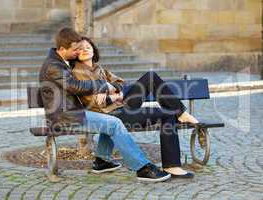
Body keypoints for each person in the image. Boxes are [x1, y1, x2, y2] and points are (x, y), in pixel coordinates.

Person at [39, 27, 171, 182]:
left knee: (107, 119)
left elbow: (114, 82)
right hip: (66, 117)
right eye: (75, 50)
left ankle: (101, 162)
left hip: (74, 112)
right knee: (114, 123)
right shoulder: (54, 65)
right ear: (62, 48)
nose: (77, 52)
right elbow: (74, 86)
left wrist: (108, 86)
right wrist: (103, 85)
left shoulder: (59, 61)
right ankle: (143, 168)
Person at [72, 37, 200, 178]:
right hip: (110, 114)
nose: (84, 50)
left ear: (93, 50)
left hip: (121, 105)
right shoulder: (78, 73)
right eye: (80, 48)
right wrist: (115, 96)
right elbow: (97, 103)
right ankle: (172, 166)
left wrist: (112, 87)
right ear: (75, 54)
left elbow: (119, 82)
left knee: (150, 77)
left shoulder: (99, 68)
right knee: (167, 114)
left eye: (87, 47)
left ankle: (180, 112)